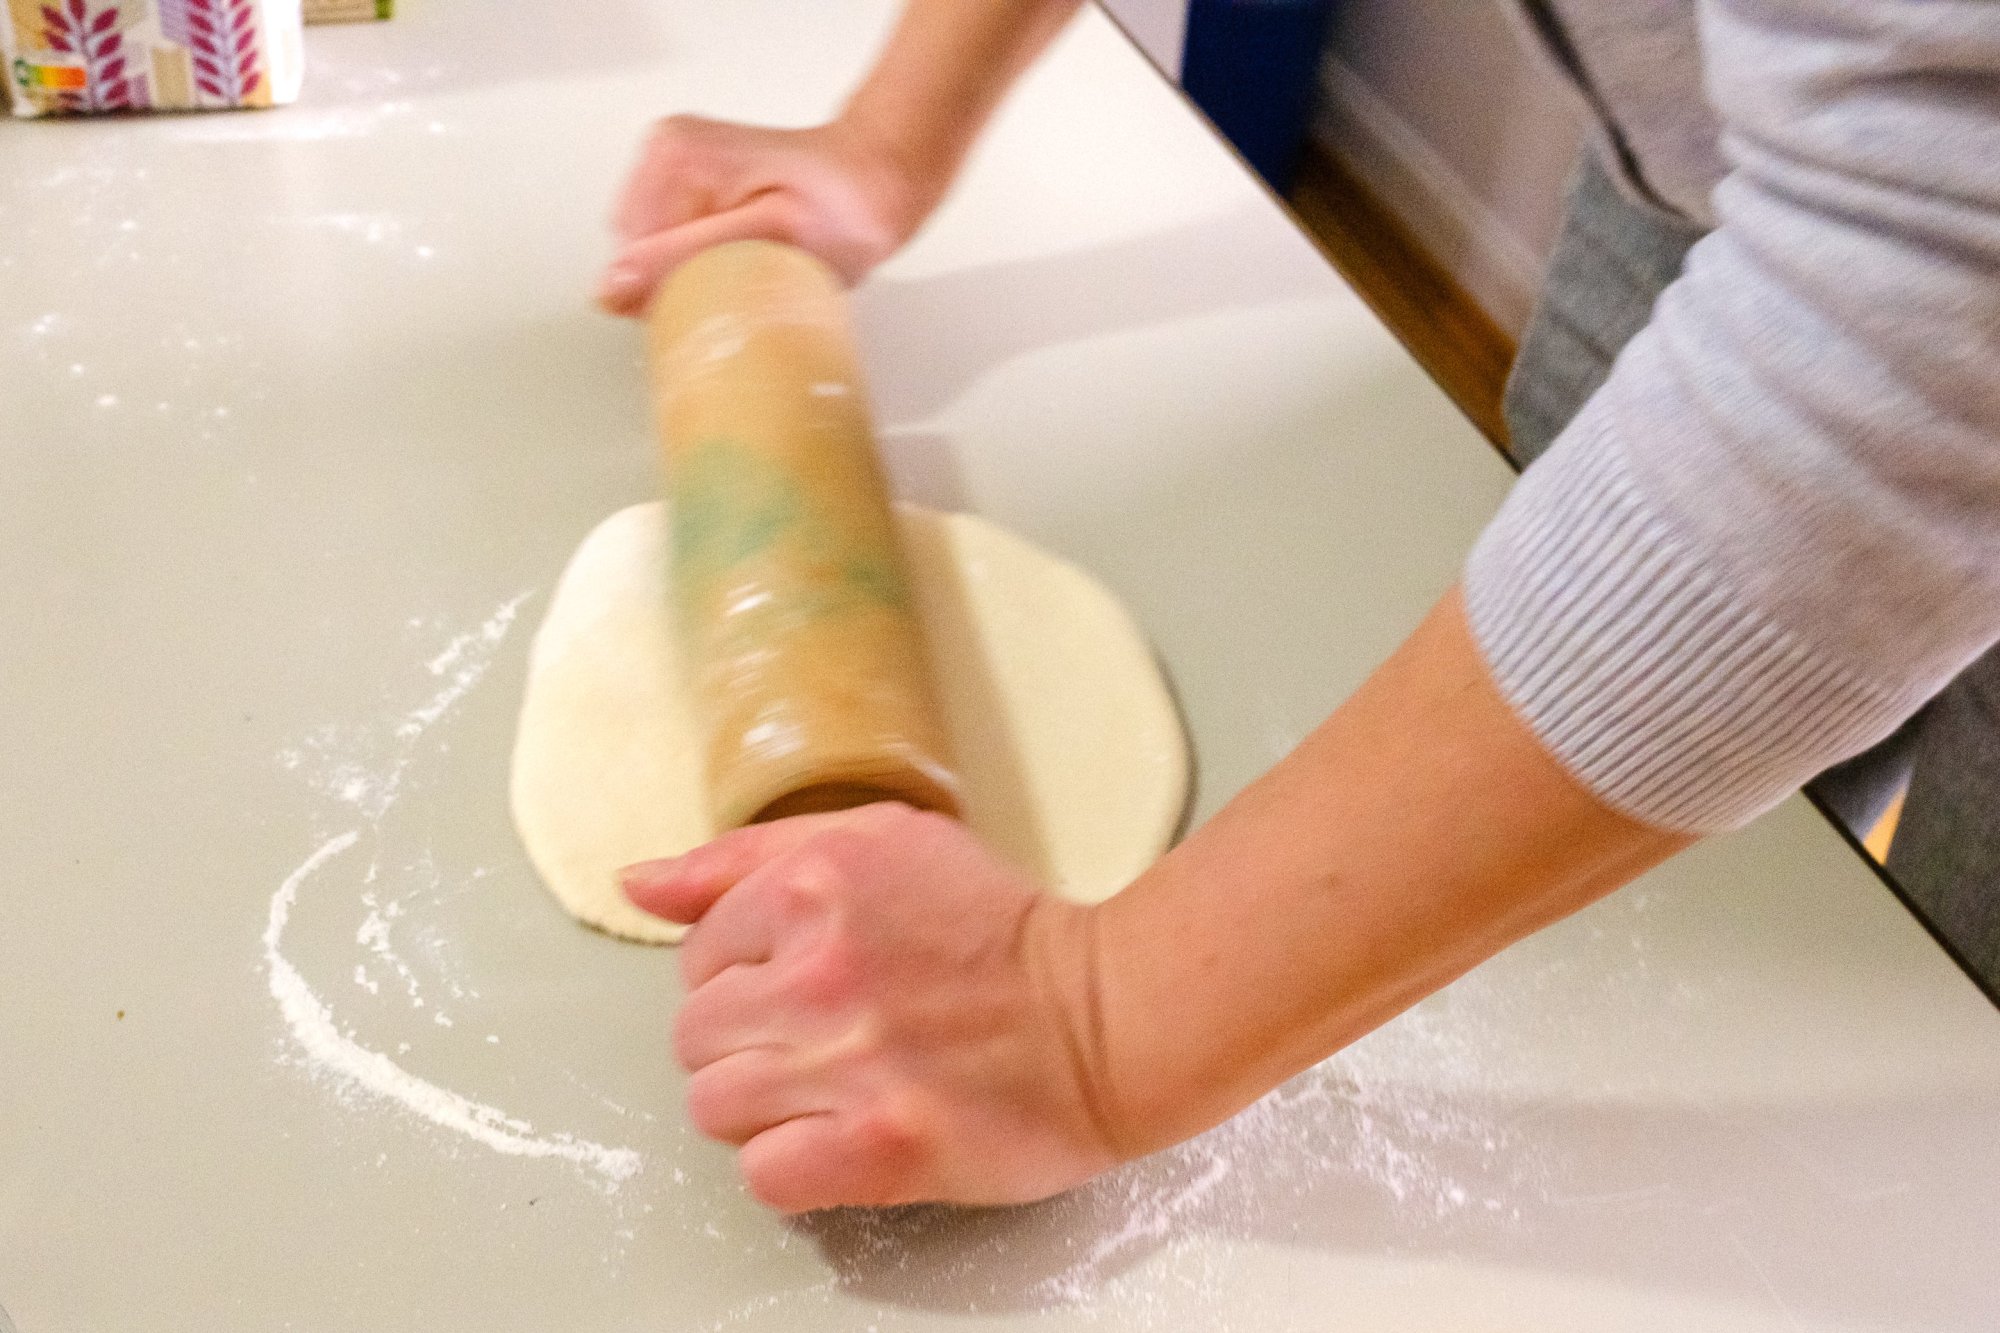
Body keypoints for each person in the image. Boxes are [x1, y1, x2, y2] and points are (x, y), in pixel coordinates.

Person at [600, 0, 2000, 1215]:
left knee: (1913, 1055)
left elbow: (1935, 294)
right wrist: (889, 137)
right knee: (1669, 888)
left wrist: (1091, 1025)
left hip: (1919, 262)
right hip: (1713, 150)